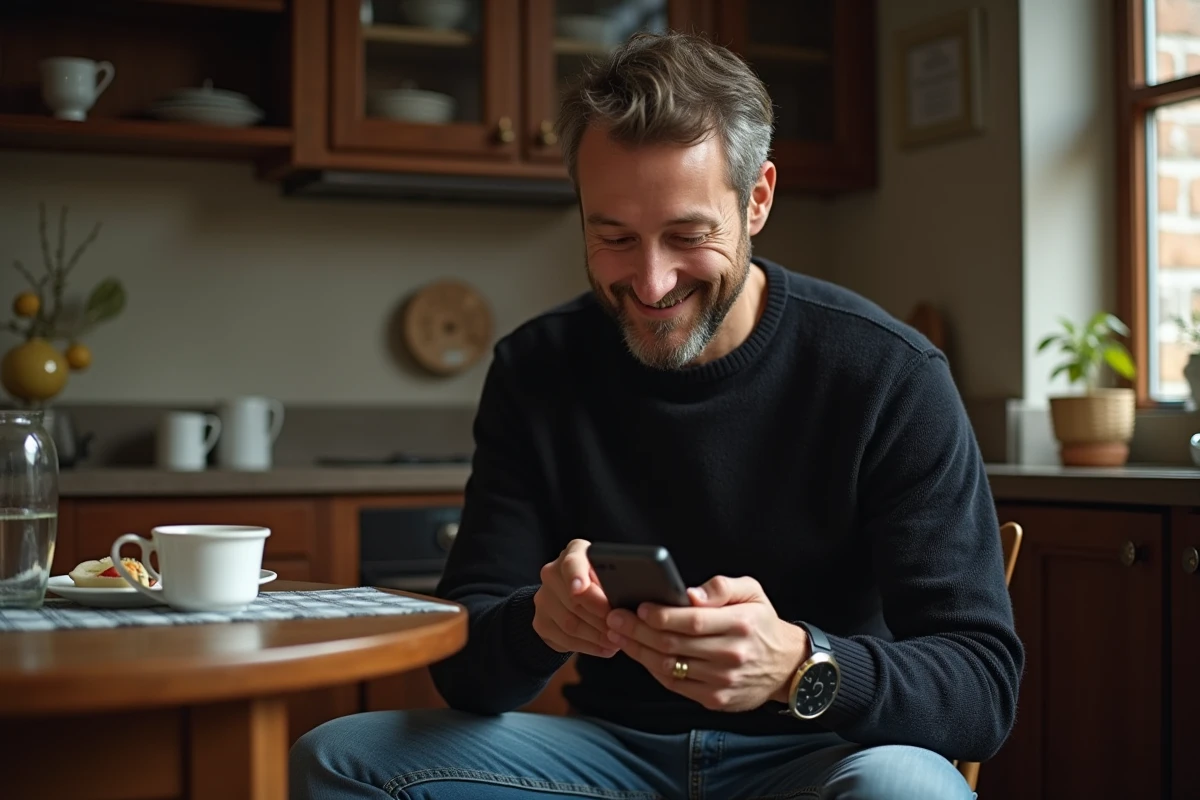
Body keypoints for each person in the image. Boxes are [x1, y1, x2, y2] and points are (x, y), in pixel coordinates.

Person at [290, 31, 1023, 800]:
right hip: (607, 757)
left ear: (758, 199)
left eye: (687, 236)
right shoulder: (536, 368)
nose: (650, 282)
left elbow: (982, 690)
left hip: (823, 757)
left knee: (907, 790)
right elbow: (467, 672)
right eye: (613, 237)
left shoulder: (888, 373)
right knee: (338, 757)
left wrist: (799, 665)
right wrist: (540, 621)